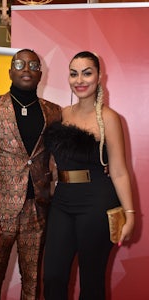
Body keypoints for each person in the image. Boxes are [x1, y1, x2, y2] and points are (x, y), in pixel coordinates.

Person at [0, 48, 61, 300]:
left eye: (33, 64)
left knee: (32, 283)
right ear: (10, 71)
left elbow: (53, 157)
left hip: (37, 211)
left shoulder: (53, 112)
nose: (26, 69)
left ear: (40, 74)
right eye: (19, 64)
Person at [43, 51, 135, 300]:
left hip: (97, 204)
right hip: (62, 203)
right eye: (74, 73)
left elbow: (118, 171)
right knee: (52, 276)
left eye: (87, 72)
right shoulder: (60, 114)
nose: (79, 80)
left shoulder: (109, 118)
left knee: (91, 282)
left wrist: (130, 215)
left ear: (98, 77)